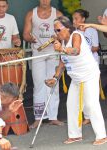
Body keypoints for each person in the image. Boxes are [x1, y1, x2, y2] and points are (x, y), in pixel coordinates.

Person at [45, 16, 107, 145]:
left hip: (89, 75)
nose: (56, 33)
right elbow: (62, 62)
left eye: (58, 30)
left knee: (91, 105)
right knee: (71, 105)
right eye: (55, 31)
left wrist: (61, 49)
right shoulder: (61, 41)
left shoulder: (76, 35)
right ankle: (75, 135)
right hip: (76, 78)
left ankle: (101, 135)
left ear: (67, 28)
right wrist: (55, 78)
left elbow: (76, 51)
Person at [23, 0, 64, 129]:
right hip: (38, 53)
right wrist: (30, 38)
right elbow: (25, 34)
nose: (45, 1)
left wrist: (58, 36)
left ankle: (53, 117)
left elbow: (64, 33)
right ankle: (38, 117)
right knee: (39, 84)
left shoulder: (57, 13)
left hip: (53, 52)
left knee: (53, 83)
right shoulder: (31, 13)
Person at [73, 9, 99, 125]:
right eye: (73, 19)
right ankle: (85, 116)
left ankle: (92, 117)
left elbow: (96, 47)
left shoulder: (91, 30)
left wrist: (84, 51)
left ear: (83, 19)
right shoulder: (73, 32)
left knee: (91, 92)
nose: (74, 21)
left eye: (76, 18)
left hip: (91, 63)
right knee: (81, 92)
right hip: (79, 65)